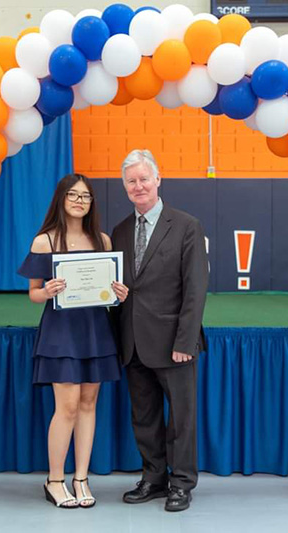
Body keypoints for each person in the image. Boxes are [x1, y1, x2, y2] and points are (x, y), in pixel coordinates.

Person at [18, 173, 129, 509]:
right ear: (61, 198)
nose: (80, 201)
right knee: (65, 407)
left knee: (88, 405)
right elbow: (33, 294)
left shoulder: (104, 241)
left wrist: (117, 295)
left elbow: (108, 294)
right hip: (60, 333)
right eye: (74, 195)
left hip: (96, 331)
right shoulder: (45, 241)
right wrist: (46, 291)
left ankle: (81, 477)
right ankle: (55, 479)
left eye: (86, 196)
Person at [110, 149, 209, 512]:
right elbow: (120, 286)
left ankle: (182, 483)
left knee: (181, 419)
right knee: (145, 416)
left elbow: (195, 288)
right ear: (125, 186)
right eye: (131, 181)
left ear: (158, 180)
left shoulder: (186, 225)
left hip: (174, 344)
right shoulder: (119, 231)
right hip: (133, 343)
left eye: (143, 179)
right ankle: (154, 478)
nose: (138, 186)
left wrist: (185, 340)